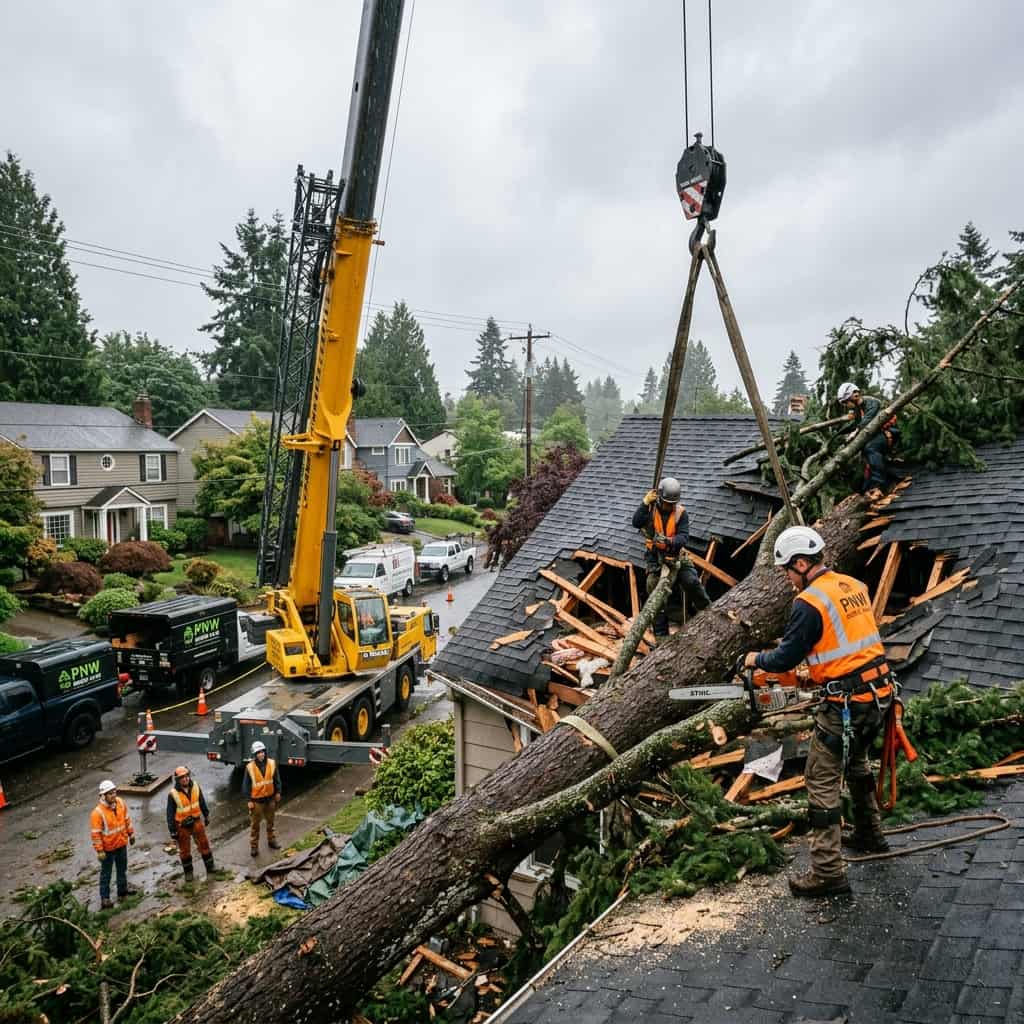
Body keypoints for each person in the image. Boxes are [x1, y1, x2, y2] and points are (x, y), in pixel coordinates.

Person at [744, 525, 893, 897]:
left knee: (821, 779)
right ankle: (871, 833)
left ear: (799, 562)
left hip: (846, 703)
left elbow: (784, 657)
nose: (787, 579)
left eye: (787, 572)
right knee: (857, 764)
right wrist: (820, 674)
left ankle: (828, 871)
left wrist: (754, 658)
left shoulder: (809, 602)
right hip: (878, 693)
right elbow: (847, 643)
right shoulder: (852, 586)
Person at [631, 476, 710, 636]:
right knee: (654, 592)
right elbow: (636, 522)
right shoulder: (650, 509)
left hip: (675, 555)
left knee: (692, 581)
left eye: (672, 504)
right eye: (667, 503)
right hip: (655, 558)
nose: (669, 506)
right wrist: (644, 503)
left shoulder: (681, 513)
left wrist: (668, 541)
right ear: (660, 498)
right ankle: (661, 635)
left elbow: (684, 537)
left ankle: (707, 611)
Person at [836, 382, 899, 495]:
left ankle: (879, 485)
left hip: (888, 433)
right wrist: (840, 434)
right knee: (863, 454)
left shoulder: (872, 402)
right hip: (874, 434)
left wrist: (855, 432)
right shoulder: (858, 409)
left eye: (846, 402)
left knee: (871, 448)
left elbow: (867, 420)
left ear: (854, 396)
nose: (846, 405)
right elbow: (856, 424)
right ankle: (867, 486)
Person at [89, 780, 137, 909]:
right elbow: (96, 834)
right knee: (106, 874)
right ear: (103, 796)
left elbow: (127, 819)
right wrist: (100, 851)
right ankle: (105, 898)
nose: (113, 795)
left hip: (121, 843)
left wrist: (131, 834)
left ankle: (122, 891)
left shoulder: (120, 803)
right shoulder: (97, 813)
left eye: (114, 792)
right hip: (108, 850)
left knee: (122, 869)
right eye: (110, 793)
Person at [166, 765, 215, 883]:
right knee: (184, 851)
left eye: (187, 776)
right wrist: (173, 831)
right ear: (178, 780)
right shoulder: (173, 794)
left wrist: (206, 815)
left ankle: (211, 868)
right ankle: (189, 874)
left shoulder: (196, 787)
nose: (185, 779)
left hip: (196, 822)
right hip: (182, 826)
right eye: (182, 777)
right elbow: (170, 814)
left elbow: (202, 801)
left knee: (204, 845)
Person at [244, 740, 282, 857]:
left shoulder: (271, 763)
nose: (261, 754)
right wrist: (249, 800)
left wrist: (278, 792)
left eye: (262, 752)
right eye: (258, 753)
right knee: (255, 826)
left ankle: (272, 841)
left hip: (270, 799)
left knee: (270, 823)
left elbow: (277, 779)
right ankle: (254, 847)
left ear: (265, 752)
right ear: (254, 755)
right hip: (257, 802)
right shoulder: (249, 767)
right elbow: (246, 785)